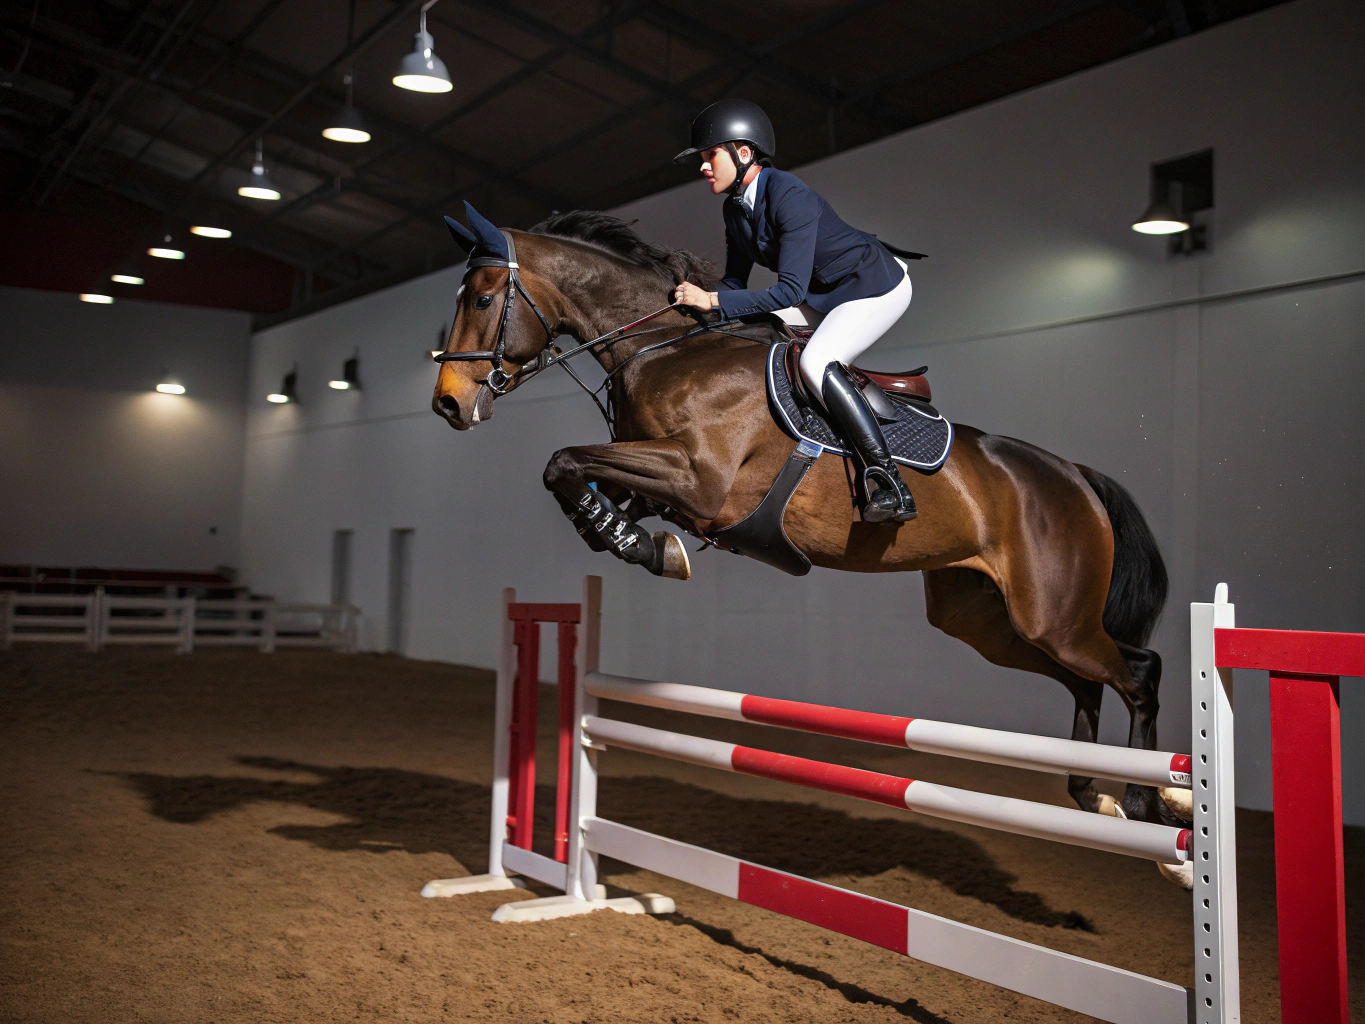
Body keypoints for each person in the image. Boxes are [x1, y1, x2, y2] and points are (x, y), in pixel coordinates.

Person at [672, 98, 918, 523]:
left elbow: (788, 292)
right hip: (822, 293)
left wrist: (712, 301)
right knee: (755, 334)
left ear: (743, 152)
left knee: (818, 360)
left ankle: (890, 481)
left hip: (873, 286)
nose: (703, 166)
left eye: (710, 155)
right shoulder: (735, 209)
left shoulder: (789, 193)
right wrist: (693, 314)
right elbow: (734, 284)